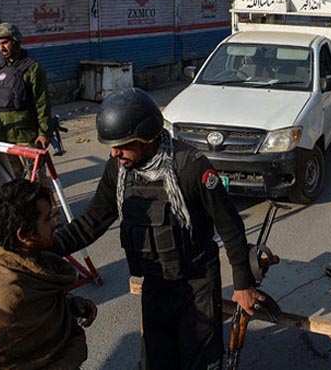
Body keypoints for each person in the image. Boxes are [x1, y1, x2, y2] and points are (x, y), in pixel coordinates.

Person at [50, 88, 262, 370]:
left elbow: (229, 225)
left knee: (198, 362)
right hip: (155, 284)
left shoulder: (190, 167)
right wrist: (41, 248)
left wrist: (242, 284)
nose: (114, 153)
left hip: (196, 283)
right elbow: (91, 222)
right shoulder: (119, 169)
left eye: (122, 145)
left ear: (147, 137)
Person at [0, 179, 97, 370]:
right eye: (48, 219)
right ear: (24, 235)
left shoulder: (30, 261)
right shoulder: (7, 298)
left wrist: (70, 304)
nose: (55, 223)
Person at [0, 23, 51, 177]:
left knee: (38, 182)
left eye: (5, 42)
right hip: (3, 137)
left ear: (16, 41)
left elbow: (42, 103)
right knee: (12, 182)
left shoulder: (33, 69)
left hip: (27, 137)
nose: (2, 48)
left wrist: (44, 133)